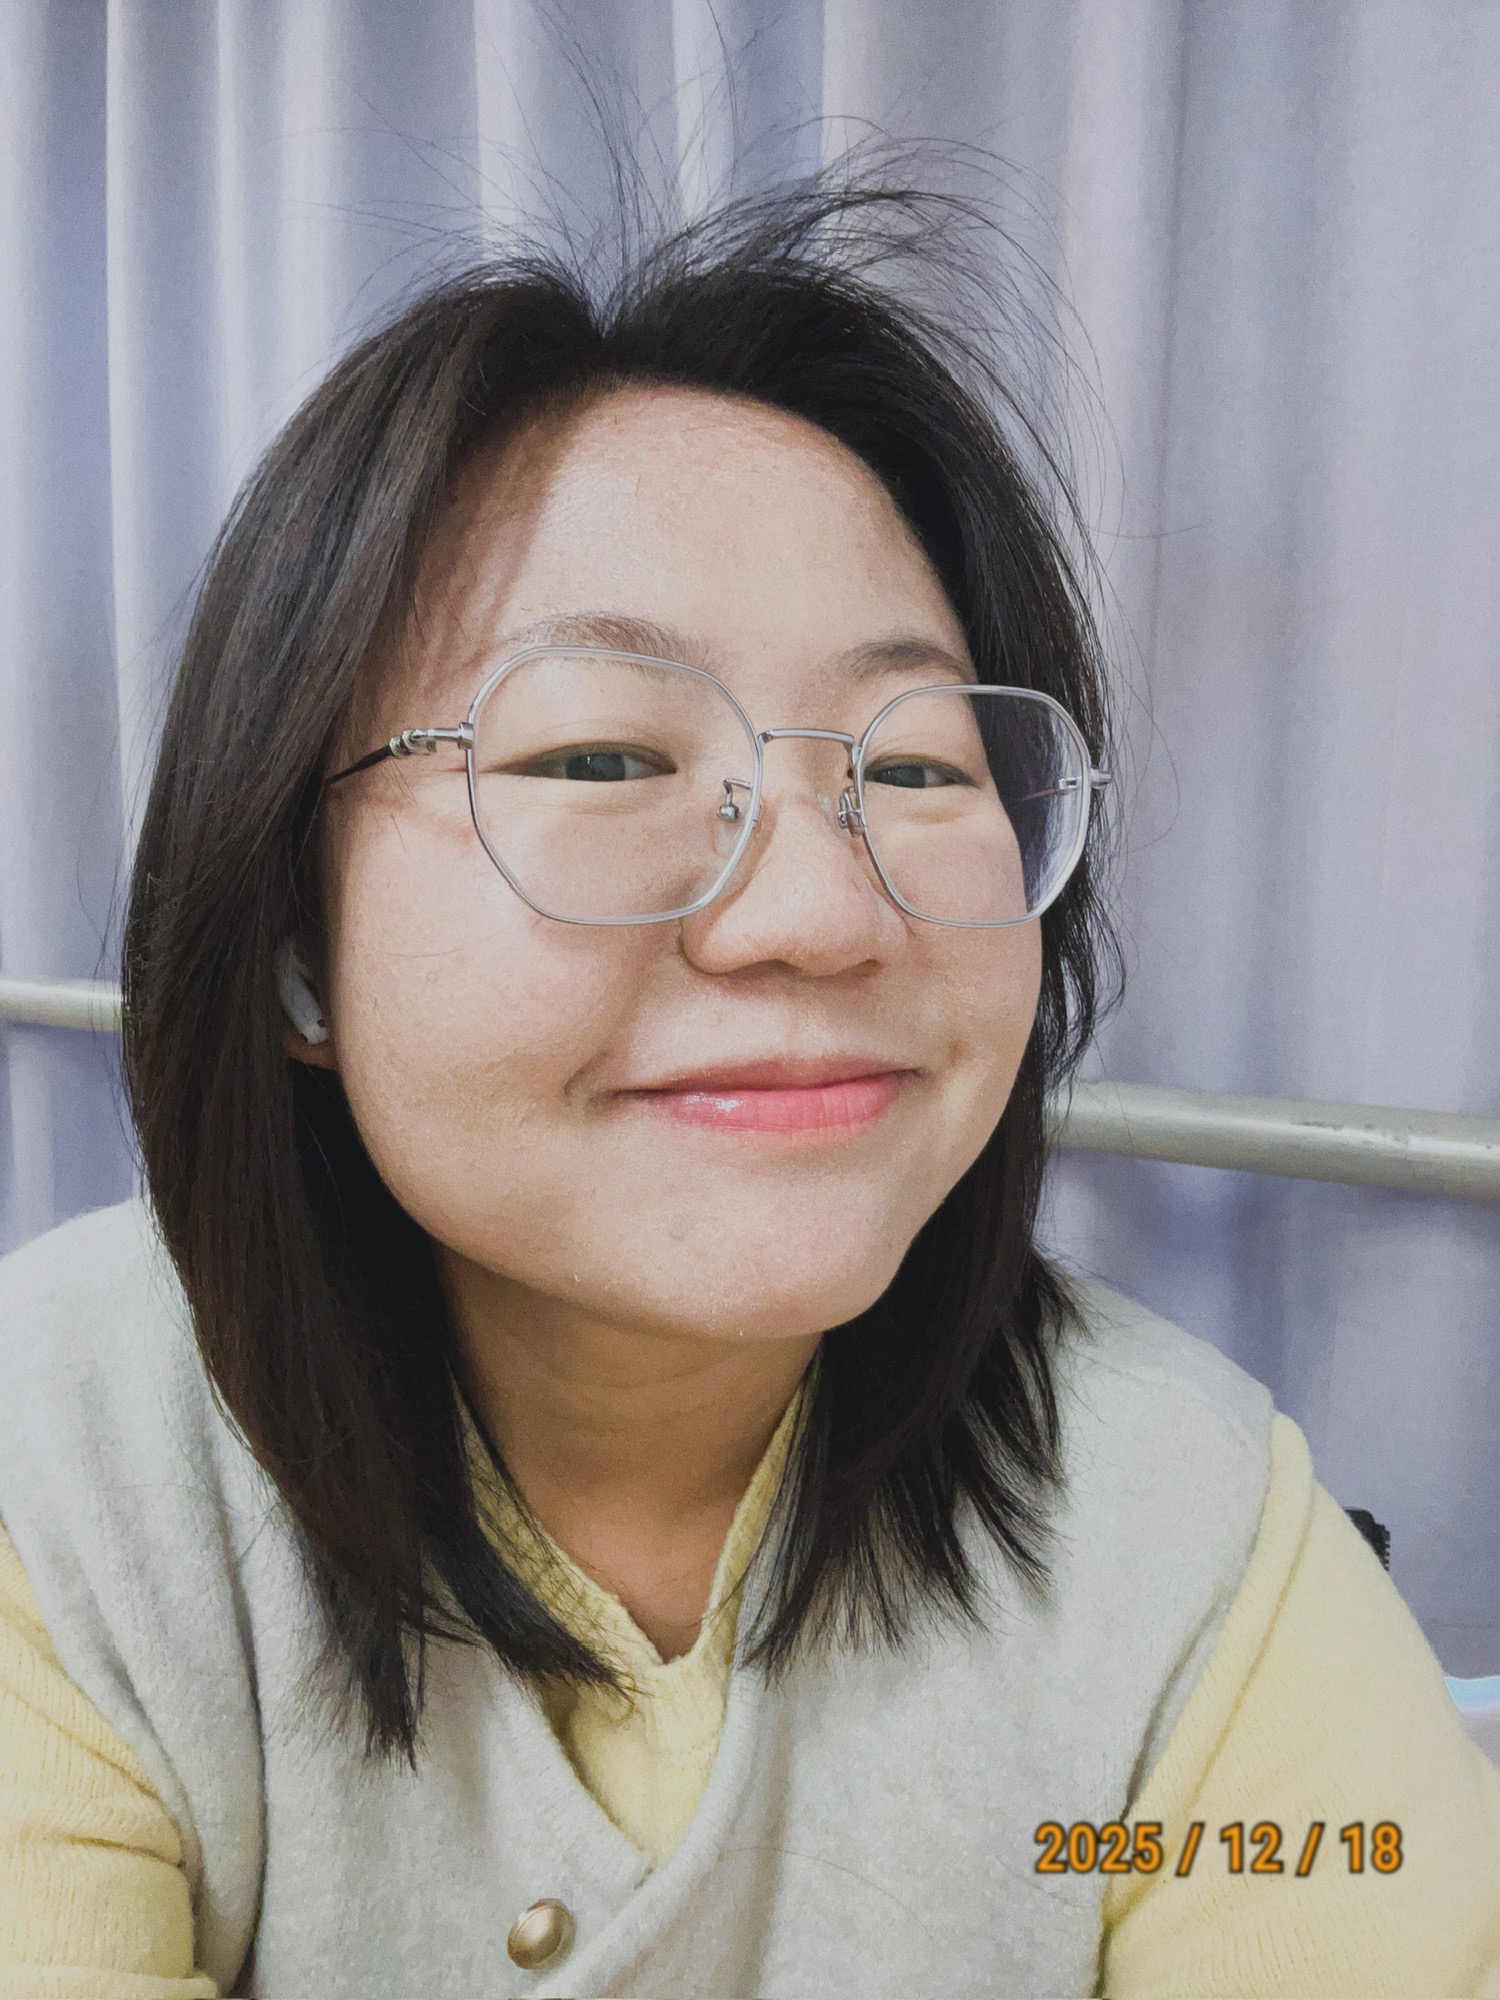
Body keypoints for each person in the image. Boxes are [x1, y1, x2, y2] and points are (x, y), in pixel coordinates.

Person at [0, 175, 1495, 2000]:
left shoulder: (1191, 1547)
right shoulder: (60, 1482)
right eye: (601, 755)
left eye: (921, 770)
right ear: (296, 938)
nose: (819, 913)